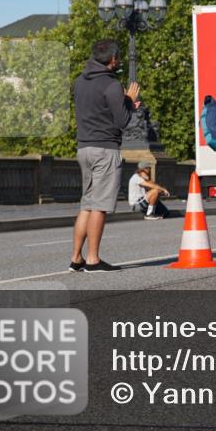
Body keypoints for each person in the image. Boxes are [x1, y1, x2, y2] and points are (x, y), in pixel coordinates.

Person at [69, 39, 139, 273]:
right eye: (117, 58)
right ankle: (93, 259)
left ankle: (76, 258)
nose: (118, 62)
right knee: (99, 206)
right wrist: (128, 101)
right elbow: (123, 121)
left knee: (86, 204)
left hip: (84, 148)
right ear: (111, 60)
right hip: (105, 148)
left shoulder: (79, 81)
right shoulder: (111, 85)